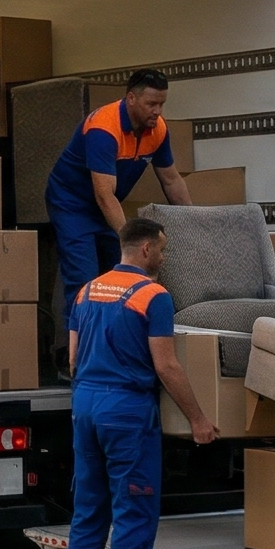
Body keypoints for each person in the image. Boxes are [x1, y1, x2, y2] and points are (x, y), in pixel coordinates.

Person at [63, 218, 217, 549]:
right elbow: (166, 365)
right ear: (146, 249)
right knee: (132, 517)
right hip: (126, 412)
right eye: (162, 250)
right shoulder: (154, 296)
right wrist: (198, 419)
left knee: (88, 515)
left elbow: (73, 360)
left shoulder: (86, 291)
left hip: (86, 405)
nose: (163, 258)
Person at [43, 71, 192, 350]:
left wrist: (194, 221)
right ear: (131, 98)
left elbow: (171, 180)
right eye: (151, 104)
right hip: (72, 203)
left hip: (107, 202)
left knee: (121, 272)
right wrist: (130, 240)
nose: (157, 111)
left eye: (162, 104)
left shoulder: (157, 129)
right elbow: (103, 194)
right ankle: (74, 356)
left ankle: (113, 346)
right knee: (84, 276)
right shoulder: (104, 128)